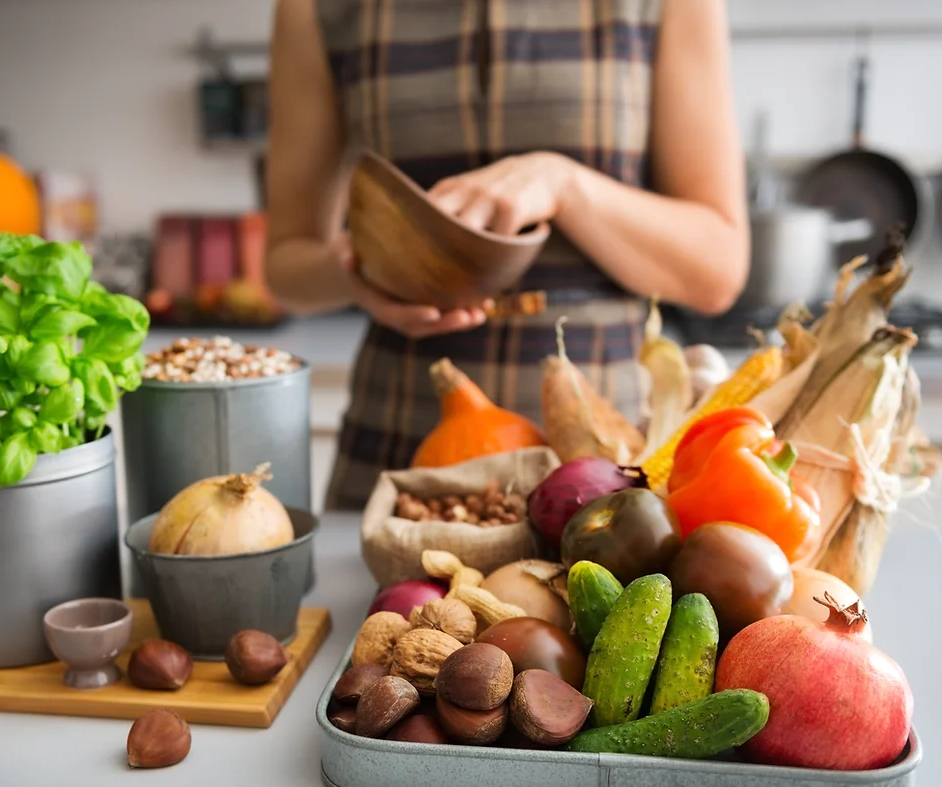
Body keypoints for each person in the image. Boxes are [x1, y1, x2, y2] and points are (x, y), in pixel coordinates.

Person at [264, 0, 750, 510]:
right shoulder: (313, 9)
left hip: (604, 461)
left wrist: (563, 184)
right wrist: (356, 270)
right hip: (399, 455)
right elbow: (286, 268)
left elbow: (717, 269)